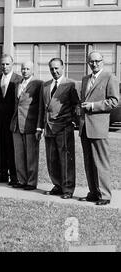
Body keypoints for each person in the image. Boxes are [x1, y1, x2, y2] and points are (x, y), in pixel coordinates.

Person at [78, 51, 119, 206]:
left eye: (97, 61)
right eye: (91, 62)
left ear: (103, 61)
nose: (94, 64)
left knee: (101, 162)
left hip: (99, 126)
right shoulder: (85, 79)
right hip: (85, 127)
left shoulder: (110, 77)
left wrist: (93, 106)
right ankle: (93, 192)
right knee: (89, 163)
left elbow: (114, 101)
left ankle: (105, 195)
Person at [37, 58, 79, 199]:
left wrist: (72, 121)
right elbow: (42, 108)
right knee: (51, 159)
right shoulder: (45, 85)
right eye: (51, 69)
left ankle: (67, 189)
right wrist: (39, 127)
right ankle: (57, 185)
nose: (54, 71)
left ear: (62, 67)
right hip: (48, 128)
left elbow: (76, 106)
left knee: (66, 159)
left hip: (64, 128)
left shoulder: (70, 84)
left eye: (56, 68)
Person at [10, 61, 43, 190]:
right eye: (23, 69)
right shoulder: (17, 83)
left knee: (31, 155)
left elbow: (40, 106)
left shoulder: (38, 84)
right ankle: (21, 180)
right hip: (16, 124)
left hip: (31, 123)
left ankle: (31, 182)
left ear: (33, 70)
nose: (24, 71)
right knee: (19, 155)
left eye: (28, 69)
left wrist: (39, 126)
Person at [0, 54, 23, 185]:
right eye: (2, 64)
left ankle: (14, 175)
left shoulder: (19, 80)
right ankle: (3, 173)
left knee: (13, 148)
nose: (4, 67)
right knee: (0, 147)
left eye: (7, 64)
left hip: (13, 120)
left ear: (12, 64)